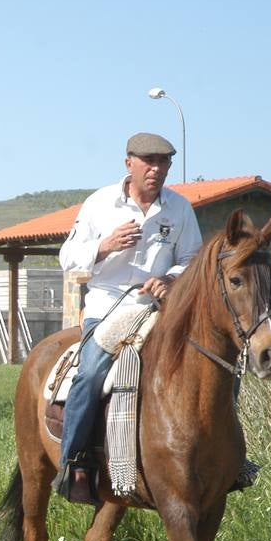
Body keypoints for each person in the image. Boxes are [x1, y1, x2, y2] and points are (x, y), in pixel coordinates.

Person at [54, 132, 202, 503]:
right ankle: (74, 462)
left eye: (163, 162)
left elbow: (193, 260)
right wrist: (105, 246)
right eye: (148, 161)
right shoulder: (101, 203)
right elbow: (67, 257)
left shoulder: (179, 209)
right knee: (89, 374)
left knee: (214, 362)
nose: (156, 169)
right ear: (129, 164)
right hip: (108, 307)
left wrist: (170, 278)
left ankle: (225, 458)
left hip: (159, 310)